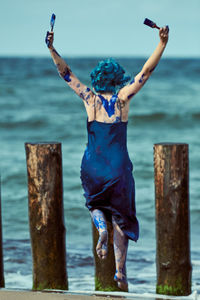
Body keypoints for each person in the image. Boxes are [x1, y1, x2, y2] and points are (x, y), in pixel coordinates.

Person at [45, 24, 169, 291]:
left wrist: (52, 48)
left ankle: (101, 229)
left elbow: (65, 73)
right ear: (117, 79)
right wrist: (162, 44)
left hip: (92, 167)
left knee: (95, 204)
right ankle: (120, 271)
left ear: (98, 78)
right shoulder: (123, 99)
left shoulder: (89, 99)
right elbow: (146, 72)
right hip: (118, 168)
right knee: (122, 217)